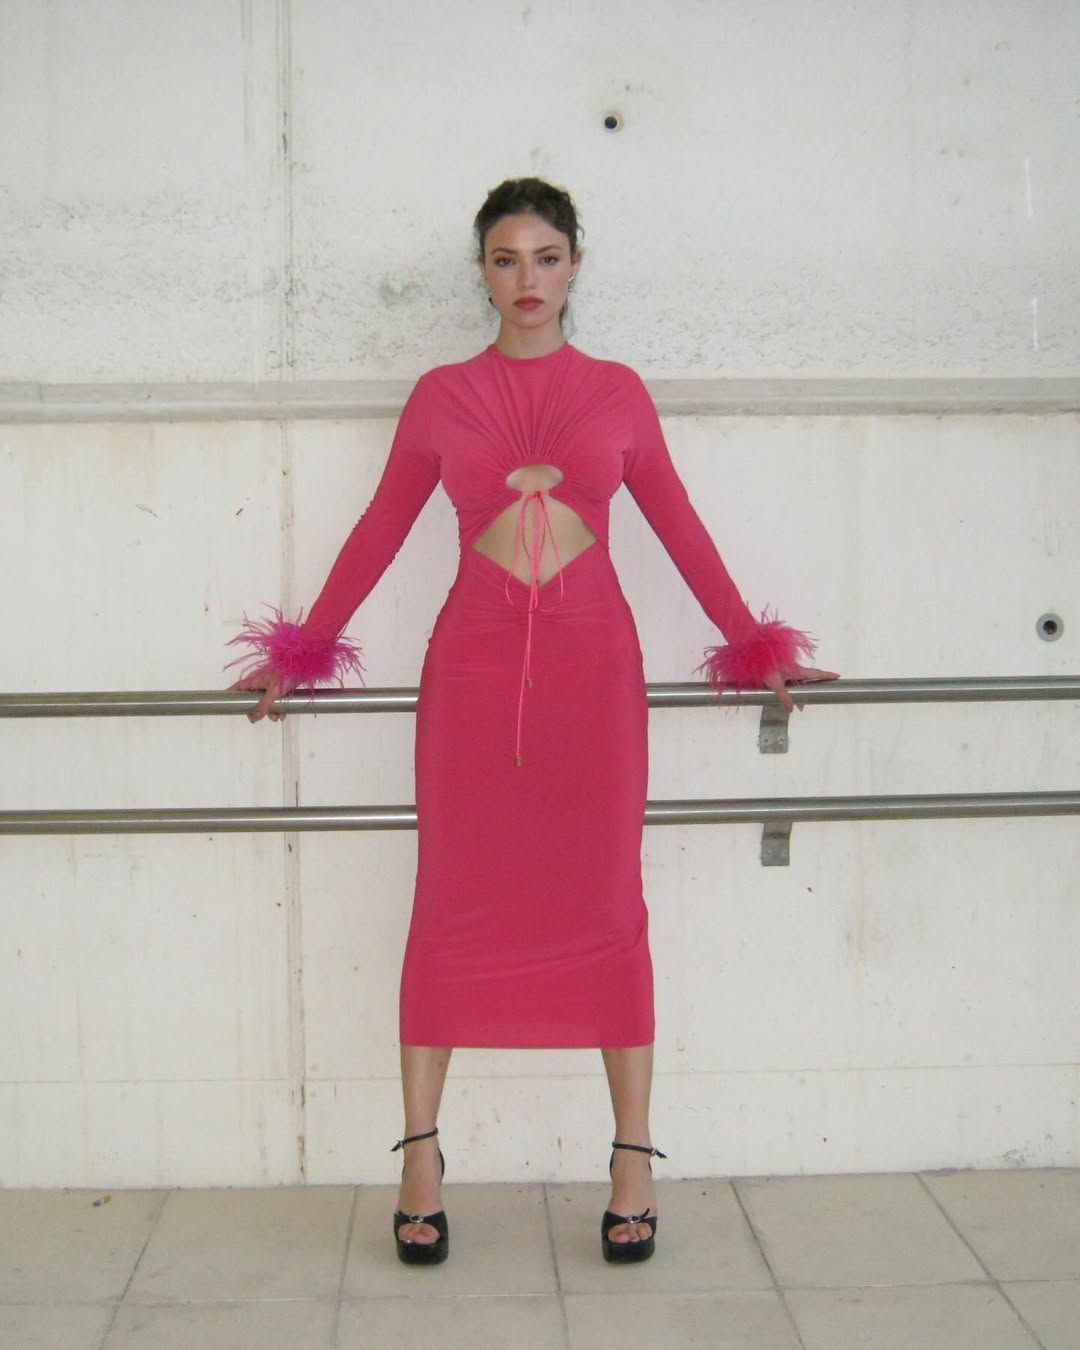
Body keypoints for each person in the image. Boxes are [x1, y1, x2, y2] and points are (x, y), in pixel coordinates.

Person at [229, 177, 836, 1267]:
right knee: (450, 903)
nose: (527, 279)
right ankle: (420, 1157)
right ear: (482, 271)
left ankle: (633, 1160)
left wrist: (755, 645)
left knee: (609, 906)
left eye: (546, 258)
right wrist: (303, 649)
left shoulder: (617, 392)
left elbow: (681, 526)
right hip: (470, 685)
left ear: (574, 266)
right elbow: (379, 528)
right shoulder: (440, 395)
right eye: (506, 259)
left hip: (594, 686)